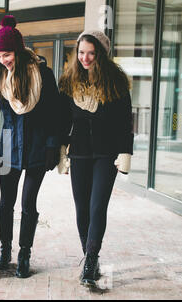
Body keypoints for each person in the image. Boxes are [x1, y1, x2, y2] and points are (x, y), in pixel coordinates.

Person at [0, 15, 60, 278]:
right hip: (9, 149)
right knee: (6, 202)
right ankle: (5, 249)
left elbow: (55, 114)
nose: (3, 60)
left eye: (6, 54)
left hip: (38, 148)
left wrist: (53, 144)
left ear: (17, 50)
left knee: (29, 203)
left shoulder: (42, 74)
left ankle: (24, 254)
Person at [58, 30, 133, 287]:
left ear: (100, 53)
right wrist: (62, 150)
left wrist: (126, 151)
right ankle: (90, 255)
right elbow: (63, 121)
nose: (85, 58)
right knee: (81, 211)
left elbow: (125, 121)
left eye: (91, 52)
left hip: (106, 153)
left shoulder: (116, 82)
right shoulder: (69, 82)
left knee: (97, 207)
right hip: (78, 152)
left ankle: (90, 261)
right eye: (81, 52)